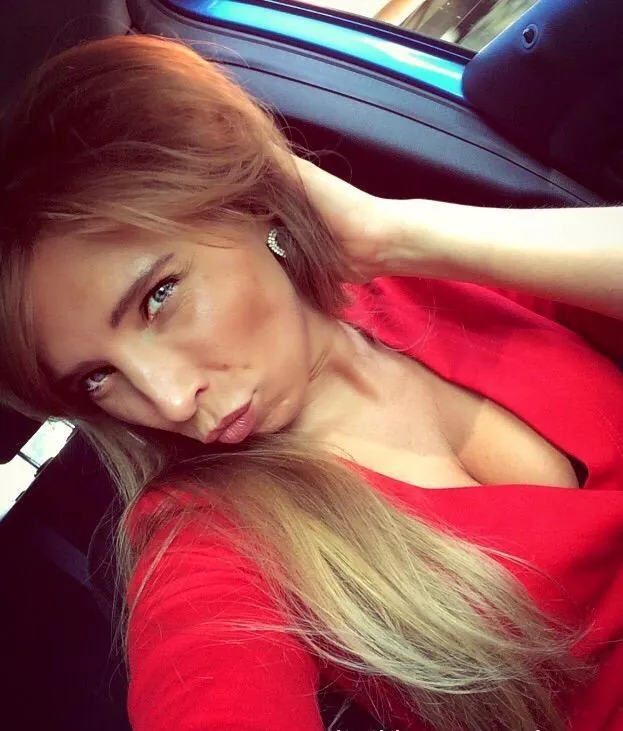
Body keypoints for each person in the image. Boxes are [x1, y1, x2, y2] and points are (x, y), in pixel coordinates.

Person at [0, 34, 622, 731]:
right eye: (97, 377)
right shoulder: (206, 533)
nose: (168, 400)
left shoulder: (415, 287)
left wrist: (391, 233)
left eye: (159, 296)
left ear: (243, 201)